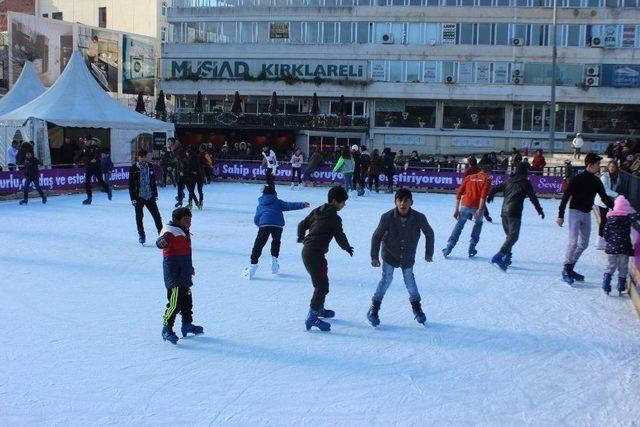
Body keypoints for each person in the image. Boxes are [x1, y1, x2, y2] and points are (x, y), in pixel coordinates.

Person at [368, 189, 434, 327]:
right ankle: (374, 308)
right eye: (400, 200)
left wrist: (429, 253)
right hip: (390, 254)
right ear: (395, 202)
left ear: (411, 202)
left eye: (406, 200)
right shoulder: (387, 217)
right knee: (386, 279)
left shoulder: (419, 217)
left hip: (408, 256)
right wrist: (374, 256)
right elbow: (376, 236)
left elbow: (429, 233)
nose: (403, 203)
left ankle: (416, 307)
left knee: (410, 280)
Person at [297, 186, 353, 332]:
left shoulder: (317, 211)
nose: (344, 205)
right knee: (321, 286)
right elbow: (339, 235)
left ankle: (320, 309)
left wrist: (301, 237)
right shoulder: (334, 218)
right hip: (314, 254)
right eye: (342, 202)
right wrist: (346, 247)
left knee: (322, 283)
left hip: (309, 252)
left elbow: (301, 224)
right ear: (335, 201)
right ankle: (313, 316)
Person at [557, 153, 614, 285]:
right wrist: (561, 214)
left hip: (587, 213)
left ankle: (570, 267)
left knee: (584, 243)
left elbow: (604, 197)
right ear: (590, 165)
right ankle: (566, 268)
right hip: (575, 212)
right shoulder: (578, 179)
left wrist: (616, 208)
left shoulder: (596, 180)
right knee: (573, 242)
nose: (599, 167)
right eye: (598, 164)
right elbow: (566, 196)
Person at [156, 207, 203, 345]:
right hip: (175, 274)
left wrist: (190, 268)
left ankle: (187, 325)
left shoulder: (183, 230)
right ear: (177, 220)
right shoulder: (170, 232)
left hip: (184, 271)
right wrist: (160, 242)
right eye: (186, 220)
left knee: (187, 302)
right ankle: (167, 328)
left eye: (190, 220)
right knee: (174, 304)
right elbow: (161, 241)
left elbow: (185, 253)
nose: (189, 223)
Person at [487, 162, 545, 271]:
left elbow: (495, 188)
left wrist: (490, 195)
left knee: (509, 237)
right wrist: (539, 210)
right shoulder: (525, 182)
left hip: (504, 212)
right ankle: (499, 256)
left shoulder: (508, 180)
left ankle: (506, 259)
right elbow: (533, 198)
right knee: (513, 237)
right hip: (514, 212)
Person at [243, 185, 310, 279]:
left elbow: (256, 218)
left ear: (263, 194)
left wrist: (261, 226)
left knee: (259, 244)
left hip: (264, 225)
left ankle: (252, 267)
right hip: (277, 225)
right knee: (276, 242)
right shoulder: (277, 202)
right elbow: (289, 205)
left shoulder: (260, 204)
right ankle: (274, 262)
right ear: (274, 193)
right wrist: (301, 204)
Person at [442, 163, 492, 258]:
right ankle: (472, 248)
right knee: (478, 224)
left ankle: (449, 247)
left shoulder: (469, 177)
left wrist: (456, 209)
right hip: (477, 206)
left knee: (459, 225)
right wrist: (480, 209)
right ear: (487, 173)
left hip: (465, 204)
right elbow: (483, 196)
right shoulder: (487, 179)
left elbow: (459, 192)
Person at [602, 196, 639, 296]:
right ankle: (621, 286)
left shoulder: (610, 219)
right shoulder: (627, 218)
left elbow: (605, 232)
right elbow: (637, 216)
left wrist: (609, 241)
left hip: (611, 247)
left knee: (611, 266)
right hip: (624, 247)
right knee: (623, 267)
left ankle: (606, 283)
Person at [129, 149, 163, 245]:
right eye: (141, 157)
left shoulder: (150, 166)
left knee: (156, 215)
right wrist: (133, 198)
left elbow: (153, 181)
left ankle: (161, 233)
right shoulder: (134, 168)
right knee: (139, 217)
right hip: (139, 196)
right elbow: (131, 184)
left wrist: (155, 194)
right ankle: (141, 235)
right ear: (138, 157)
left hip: (149, 196)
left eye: (145, 157)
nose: (143, 158)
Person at [594, 160, 619, 250]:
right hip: (602, 200)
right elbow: (606, 190)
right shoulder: (605, 176)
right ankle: (600, 241)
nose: (612, 168)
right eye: (611, 166)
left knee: (608, 220)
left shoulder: (615, 176)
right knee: (604, 220)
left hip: (608, 200)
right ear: (608, 167)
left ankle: (605, 239)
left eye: (614, 167)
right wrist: (617, 195)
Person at [82, 137, 111, 205]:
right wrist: (75, 162)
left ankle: (108, 189)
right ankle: (89, 198)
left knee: (100, 181)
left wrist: (95, 159)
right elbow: (84, 156)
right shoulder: (84, 148)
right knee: (87, 182)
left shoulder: (96, 147)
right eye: (85, 141)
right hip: (89, 167)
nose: (85, 142)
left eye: (87, 141)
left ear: (90, 141)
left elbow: (98, 155)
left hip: (96, 167)